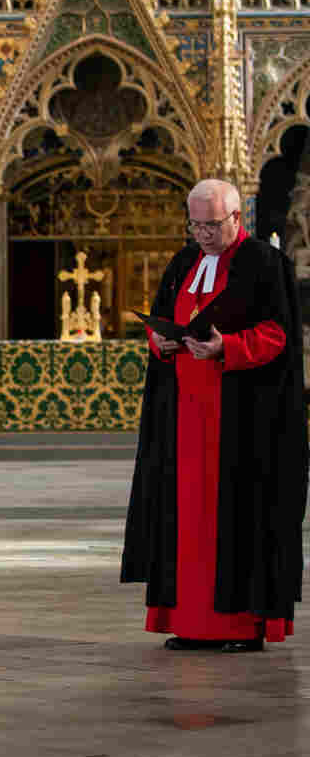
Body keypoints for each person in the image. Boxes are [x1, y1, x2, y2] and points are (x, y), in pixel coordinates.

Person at [123, 179, 307, 652]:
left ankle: (241, 628)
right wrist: (159, 341)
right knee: (183, 519)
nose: (202, 234)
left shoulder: (267, 264)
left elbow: (278, 335)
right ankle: (190, 623)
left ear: (236, 218)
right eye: (196, 224)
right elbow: (165, 316)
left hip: (243, 421)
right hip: (182, 419)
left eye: (212, 225)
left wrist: (228, 346)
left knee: (237, 519)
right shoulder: (183, 262)